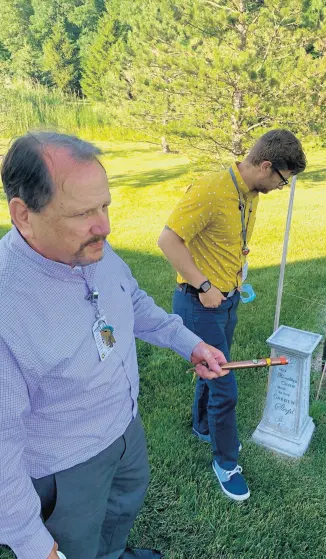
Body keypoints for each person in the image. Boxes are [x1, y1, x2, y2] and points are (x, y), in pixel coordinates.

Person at [0, 131, 229, 559]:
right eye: (83, 212)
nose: (104, 226)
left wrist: (188, 343)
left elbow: (132, 300)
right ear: (24, 215)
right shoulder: (6, 310)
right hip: (65, 470)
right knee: (77, 547)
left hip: (125, 429)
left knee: (120, 516)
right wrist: (34, 545)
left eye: (105, 205)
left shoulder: (92, 250)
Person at [158, 129, 306, 501]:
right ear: (266, 166)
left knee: (212, 370)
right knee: (225, 386)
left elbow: (227, 244)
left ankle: (202, 425)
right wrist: (205, 286)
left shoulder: (249, 193)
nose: (280, 187)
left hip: (228, 300)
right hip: (198, 303)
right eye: (282, 180)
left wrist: (235, 282)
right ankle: (226, 462)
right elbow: (167, 240)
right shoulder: (211, 189)